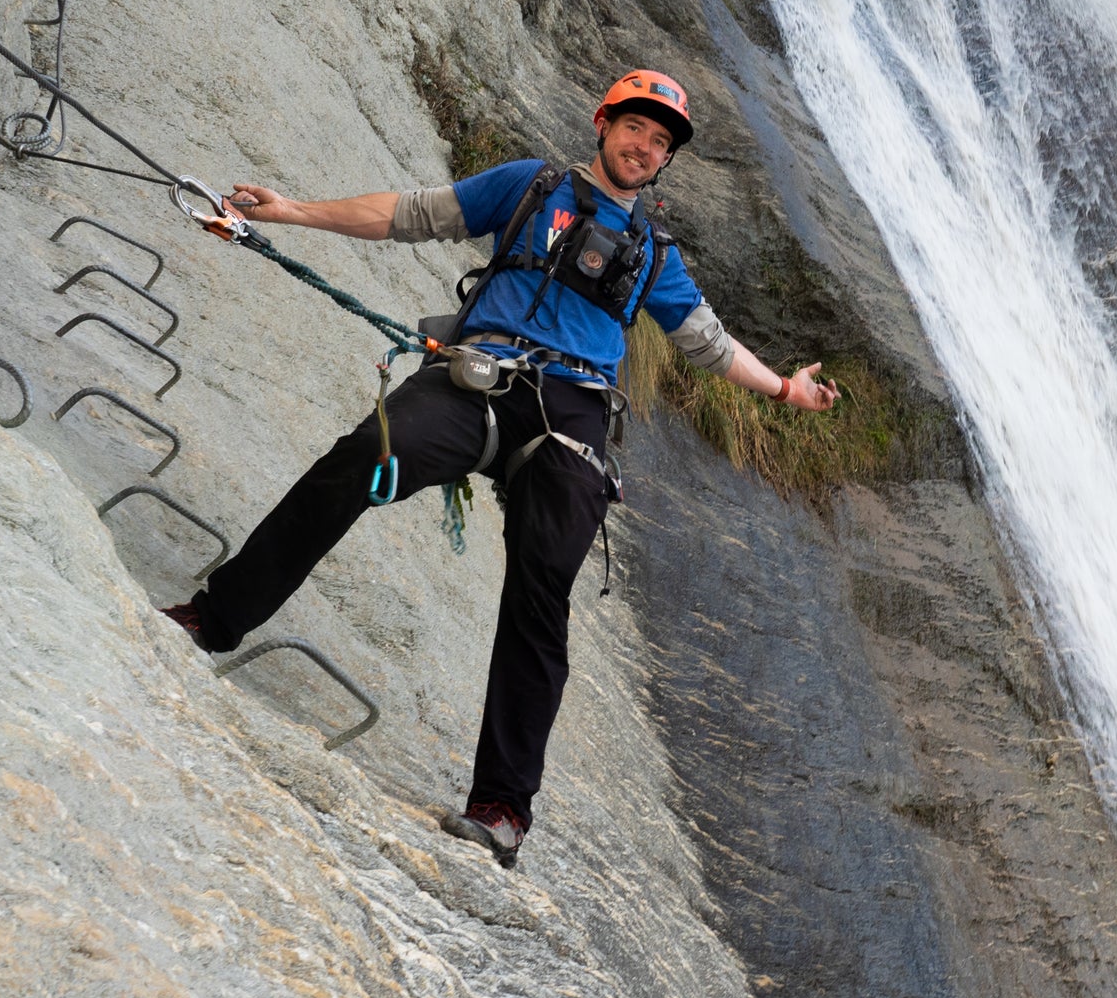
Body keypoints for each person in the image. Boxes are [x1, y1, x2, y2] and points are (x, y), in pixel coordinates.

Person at [160, 70, 839, 868]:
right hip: (479, 376)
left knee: (543, 583)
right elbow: (412, 215)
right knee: (364, 456)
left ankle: (501, 807)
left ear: (663, 162)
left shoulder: (655, 257)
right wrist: (294, 213)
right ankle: (218, 618)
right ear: (603, 123)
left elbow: (709, 343)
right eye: (635, 129)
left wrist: (784, 388)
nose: (644, 148)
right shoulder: (530, 187)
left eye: (660, 143)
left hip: (576, 413)